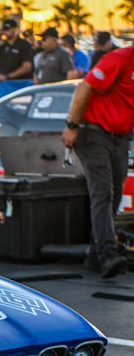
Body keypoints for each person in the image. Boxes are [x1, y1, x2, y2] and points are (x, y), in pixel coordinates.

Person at [63, 43, 134, 278]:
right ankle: (108, 255)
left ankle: (95, 254)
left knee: (114, 195)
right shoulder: (120, 58)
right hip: (94, 132)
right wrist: (72, 126)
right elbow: (85, 86)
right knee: (103, 193)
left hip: (120, 137)